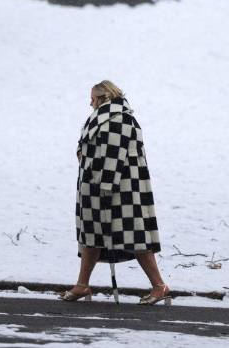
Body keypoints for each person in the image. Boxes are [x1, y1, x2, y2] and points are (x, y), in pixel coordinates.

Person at [61, 80, 170, 305]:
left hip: (119, 190)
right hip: (94, 186)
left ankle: (159, 286)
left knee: (134, 236)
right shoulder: (102, 118)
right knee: (91, 235)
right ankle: (82, 285)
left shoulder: (117, 119)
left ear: (104, 98)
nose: (90, 102)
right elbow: (88, 148)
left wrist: (105, 187)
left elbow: (113, 155)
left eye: (93, 98)